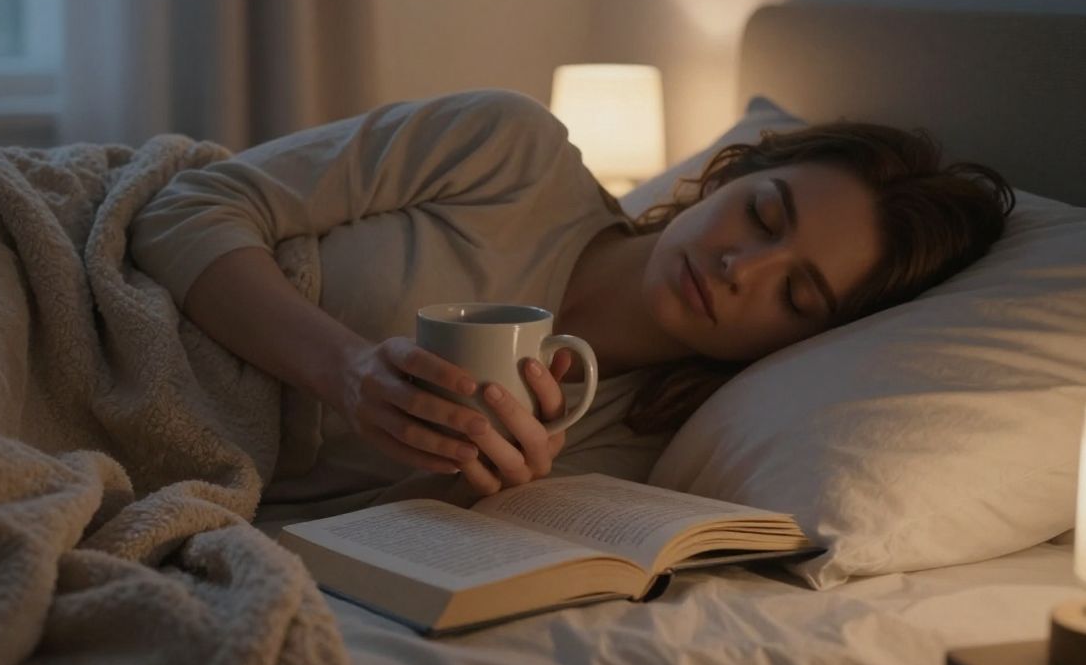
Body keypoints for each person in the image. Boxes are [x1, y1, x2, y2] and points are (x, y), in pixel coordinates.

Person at [129, 89, 1014, 507]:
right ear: (728, 174)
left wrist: (468, 495)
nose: (744, 268)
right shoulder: (510, 151)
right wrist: (347, 368)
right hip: (97, 293)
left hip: (167, 471)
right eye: (763, 215)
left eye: (797, 293)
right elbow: (188, 208)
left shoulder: (629, 453)